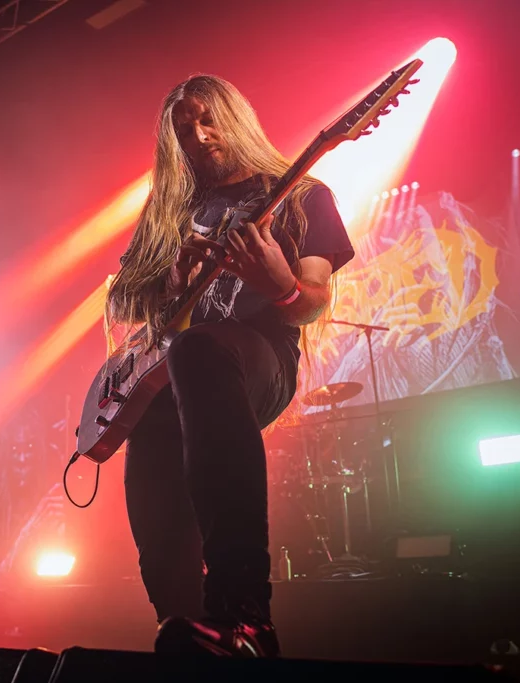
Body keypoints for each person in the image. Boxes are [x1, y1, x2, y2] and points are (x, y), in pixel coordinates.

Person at [105, 75, 355, 657]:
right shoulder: (169, 211)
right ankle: (193, 633)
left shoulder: (301, 194)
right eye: (184, 129)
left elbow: (313, 300)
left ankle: (245, 611)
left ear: (234, 116)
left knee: (201, 349)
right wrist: (166, 278)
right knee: (155, 508)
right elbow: (121, 300)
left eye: (206, 119)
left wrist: (283, 287)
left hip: (257, 358)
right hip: (166, 381)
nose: (199, 135)